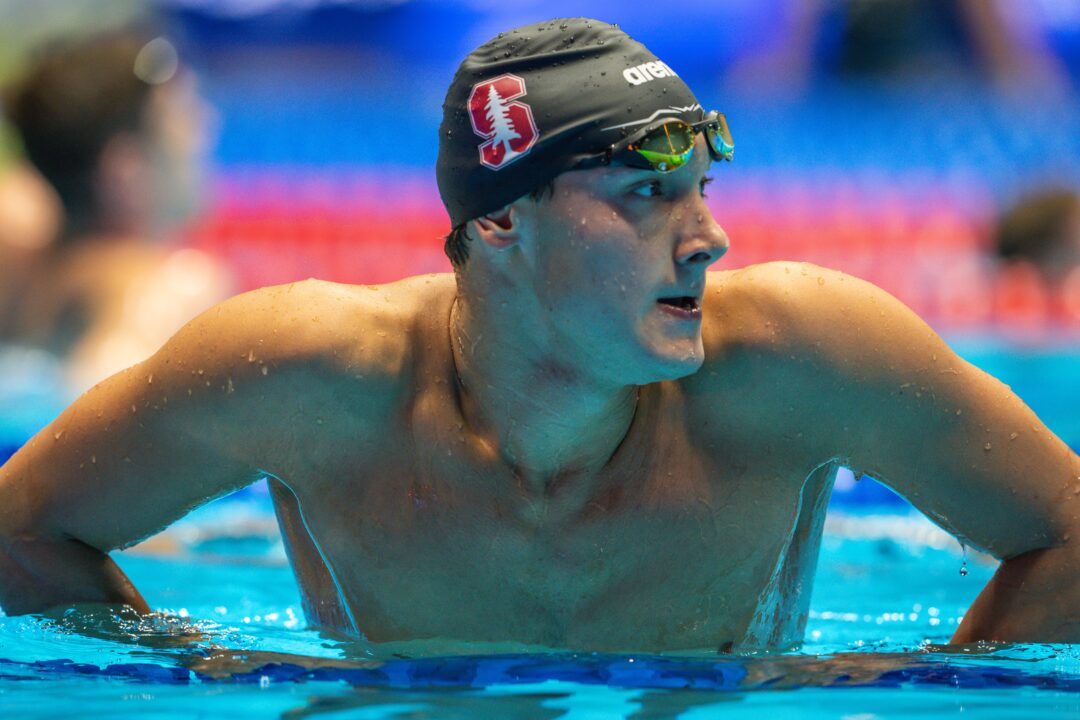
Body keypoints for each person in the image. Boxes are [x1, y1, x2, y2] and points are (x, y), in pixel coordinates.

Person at [0, 18, 1076, 655]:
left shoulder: (806, 357)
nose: (711, 238)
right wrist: (193, 673)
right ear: (500, 223)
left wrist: (922, 686)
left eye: (700, 189)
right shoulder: (306, 375)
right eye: (647, 198)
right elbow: (23, 532)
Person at [1, 28, 231, 392]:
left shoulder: (26, 269)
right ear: (126, 169)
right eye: (181, 117)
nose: (207, 128)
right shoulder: (171, 284)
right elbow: (92, 397)